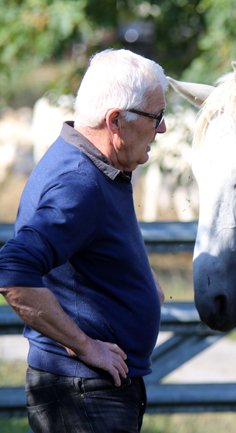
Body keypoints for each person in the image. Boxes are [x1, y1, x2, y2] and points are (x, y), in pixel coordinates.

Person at [0, 48, 167, 433]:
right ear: (116, 120)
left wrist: (139, 276)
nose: (162, 129)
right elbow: (13, 271)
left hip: (88, 390)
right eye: (156, 117)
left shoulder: (94, 163)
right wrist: (85, 345)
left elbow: (88, 244)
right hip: (83, 395)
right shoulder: (80, 182)